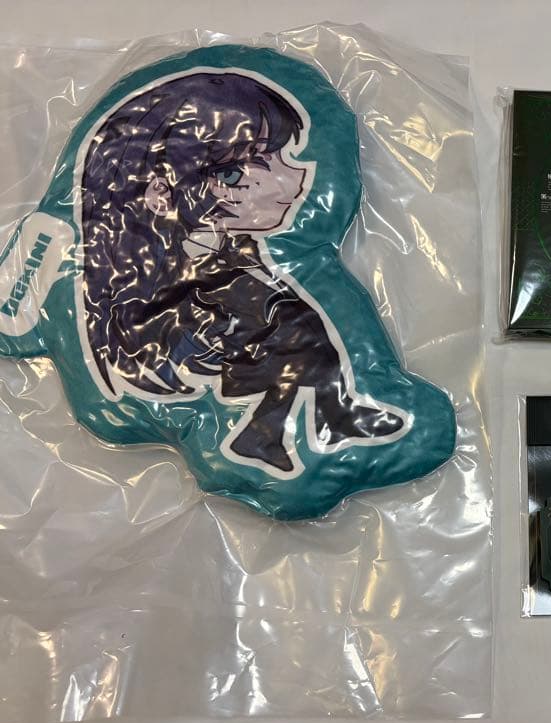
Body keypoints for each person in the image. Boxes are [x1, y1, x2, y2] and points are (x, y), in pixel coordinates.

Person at [78, 72, 407, 474]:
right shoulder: (154, 262)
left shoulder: (230, 243)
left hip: (215, 323)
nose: (291, 181)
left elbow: (254, 285)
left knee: (297, 327)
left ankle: (290, 427)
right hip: (180, 341)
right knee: (294, 328)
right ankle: (317, 418)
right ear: (160, 193)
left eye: (280, 158)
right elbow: (160, 316)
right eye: (233, 174)